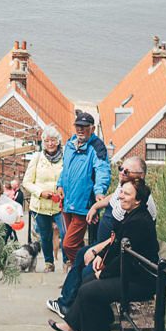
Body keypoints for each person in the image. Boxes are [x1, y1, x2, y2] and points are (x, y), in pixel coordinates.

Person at [48, 176, 158, 331]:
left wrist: (104, 273)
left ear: (138, 200)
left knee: (90, 290)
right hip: (131, 274)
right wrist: (101, 257)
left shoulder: (140, 222)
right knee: (88, 280)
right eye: (121, 192)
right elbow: (117, 245)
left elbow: (128, 259)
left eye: (126, 194)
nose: (121, 196)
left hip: (141, 282)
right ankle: (71, 326)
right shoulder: (131, 216)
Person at [47, 158, 151, 318]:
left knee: (88, 273)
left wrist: (99, 251)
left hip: (116, 254)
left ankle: (75, 312)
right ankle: (66, 303)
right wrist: (96, 206)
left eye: (127, 171)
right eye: (121, 168)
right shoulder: (126, 189)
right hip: (109, 247)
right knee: (82, 254)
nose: (122, 173)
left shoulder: (139, 201)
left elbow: (126, 238)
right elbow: (114, 197)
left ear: (141, 176)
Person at [58, 112, 109, 263]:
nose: (80, 129)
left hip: (83, 204)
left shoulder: (97, 147)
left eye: (84, 127)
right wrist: (59, 184)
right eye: (78, 126)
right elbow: (65, 169)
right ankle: (75, 280)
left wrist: (100, 191)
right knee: (77, 244)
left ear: (92, 129)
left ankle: (85, 267)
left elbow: (102, 170)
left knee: (68, 245)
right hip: (67, 201)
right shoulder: (70, 143)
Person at [22, 125, 65, 271]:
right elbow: (26, 182)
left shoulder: (65, 158)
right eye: (47, 141)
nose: (50, 144)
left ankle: (67, 262)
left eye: (53, 140)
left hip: (60, 204)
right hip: (41, 204)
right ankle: (49, 263)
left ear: (58, 142)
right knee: (45, 236)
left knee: (65, 234)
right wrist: (40, 192)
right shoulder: (37, 158)